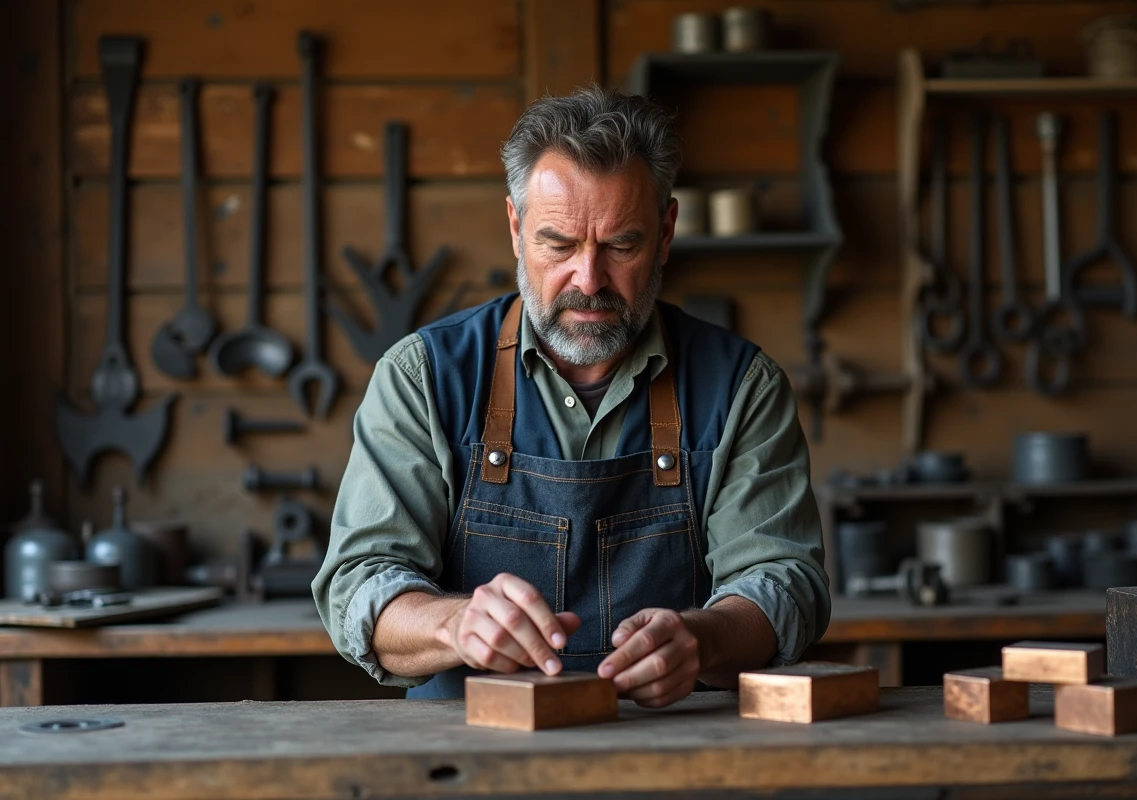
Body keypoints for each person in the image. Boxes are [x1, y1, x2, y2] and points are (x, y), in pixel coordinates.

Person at [313, 86, 830, 707]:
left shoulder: (742, 386)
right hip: (467, 756)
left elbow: (786, 582)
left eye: (621, 245)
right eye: (558, 244)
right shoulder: (423, 376)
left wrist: (707, 637)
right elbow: (359, 582)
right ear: (515, 228)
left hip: (677, 750)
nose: (588, 280)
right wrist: (452, 624)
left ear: (665, 233)